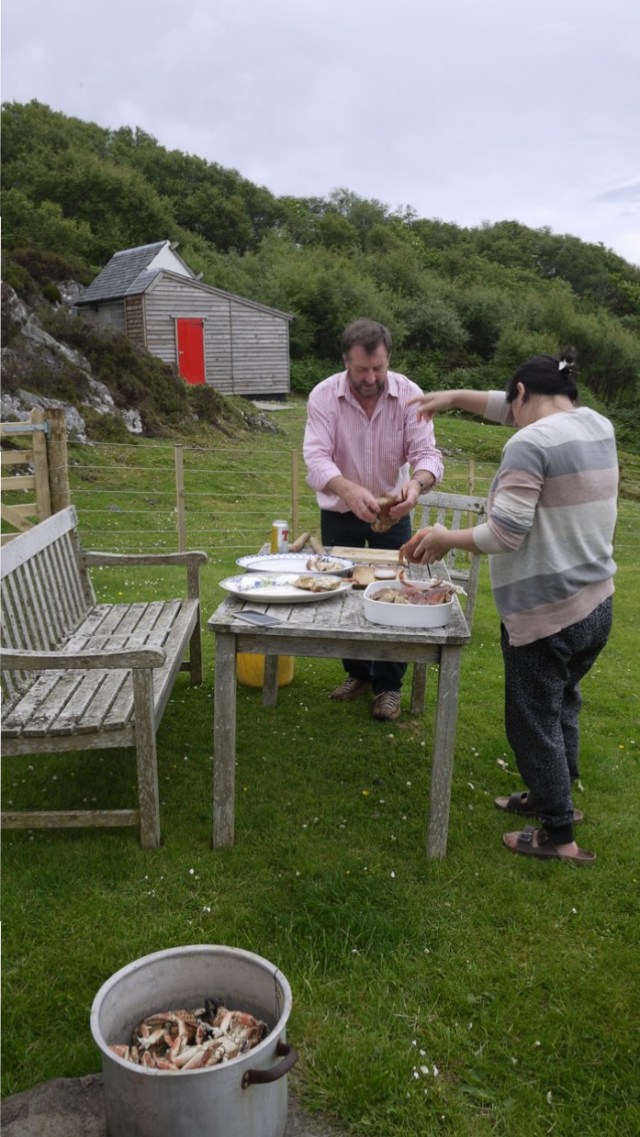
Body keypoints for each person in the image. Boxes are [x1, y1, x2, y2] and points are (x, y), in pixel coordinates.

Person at [404, 347, 617, 864]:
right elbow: (514, 410)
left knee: (532, 720)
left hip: (547, 613)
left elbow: (505, 532)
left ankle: (558, 835)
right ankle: (556, 795)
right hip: (596, 604)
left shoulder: (530, 443)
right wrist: (453, 398)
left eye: (510, 401)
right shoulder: (596, 426)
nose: (506, 413)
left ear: (521, 394)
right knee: (563, 704)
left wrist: (444, 536)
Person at [303, 318, 444, 722]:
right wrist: (347, 489)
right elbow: (316, 458)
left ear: (388, 360)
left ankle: (388, 687)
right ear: (345, 361)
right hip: (340, 513)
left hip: (394, 512)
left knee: (396, 592)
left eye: (378, 368)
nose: (370, 377)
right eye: (361, 369)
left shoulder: (410, 396)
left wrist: (415, 486)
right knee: (340, 589)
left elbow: (427, 455)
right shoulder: (324, 396)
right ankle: (358, 673)